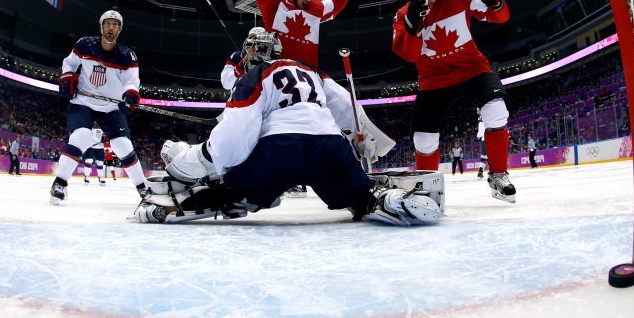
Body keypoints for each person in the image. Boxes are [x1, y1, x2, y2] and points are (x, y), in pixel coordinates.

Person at [134, 40, 445, 226]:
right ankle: (385, 200)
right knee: (360, 196)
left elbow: (234, 137)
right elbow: (347, 108)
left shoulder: (255, 74)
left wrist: (202, 164)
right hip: (329, 147)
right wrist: (363, 145)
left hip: (280, 152)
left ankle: (191, 202)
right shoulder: (310, 69)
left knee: (233, 192)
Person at [251, 0, 394, 163]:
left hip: (312, 74)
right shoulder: (276, 2)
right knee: (290, 123)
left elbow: (335, 4)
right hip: (283, 75)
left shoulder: (314, 10)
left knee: (348, 106)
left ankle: (365, 151)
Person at [391, 0, 516, 203]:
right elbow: (408, 55)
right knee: (423, 140)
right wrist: (414, 28)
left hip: (473, 70)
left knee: (497, 111)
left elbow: (500, 17)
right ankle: (426, 190)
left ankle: (499, 175)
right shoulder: (404, 13)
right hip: (434, 81)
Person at [51, 9, 147, 204]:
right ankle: (59, 183)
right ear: (101, 26)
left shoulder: (128, 56)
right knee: (81, 136)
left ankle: (143, 189)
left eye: (115, 25)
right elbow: (69, 63)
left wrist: (130, 93)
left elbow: (131, 81)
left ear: (120, 30)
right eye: (107, 23)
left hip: (110, 107)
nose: (111, 27)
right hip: (82, 102)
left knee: (123, 145)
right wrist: (67, 76)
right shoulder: (84, 45)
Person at [220, 27, 281, 92]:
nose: (256, 47)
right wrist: (244, 62)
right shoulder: (237, 57)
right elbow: (226, 83)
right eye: (253, 42)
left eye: (261, 43)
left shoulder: (275, 60)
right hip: (241, 99)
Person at [476, 109, 488, 179]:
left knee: (484, 156)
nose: (477, 112)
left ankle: (480, 171)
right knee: (490, 155)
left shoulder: (480, 117)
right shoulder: (484, 116)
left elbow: (481, 129)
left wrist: (478, 136)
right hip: (488, 137)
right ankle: (495, 170)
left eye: (478, 110)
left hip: (483, 138)